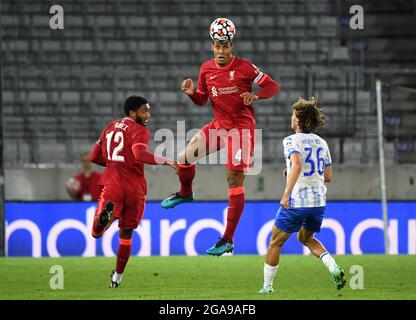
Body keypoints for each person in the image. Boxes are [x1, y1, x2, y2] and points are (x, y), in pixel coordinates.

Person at [160, 17, 281, 256]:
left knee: (233, 180)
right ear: (212, 45)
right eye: (217, 45)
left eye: (225, 46)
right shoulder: (207, 68)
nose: (221, 50)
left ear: (231, 46)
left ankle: (227, 239)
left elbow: (273, 86)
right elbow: (203, 99)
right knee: (183, 158)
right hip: (219, 126)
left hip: (241, 130)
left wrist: (256, 96)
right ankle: (186, 194)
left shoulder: (245, 67)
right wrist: (192, 93)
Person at [258, 97, 346, 293]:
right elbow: (328, 176)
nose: (291, 118)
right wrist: (292, 171)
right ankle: (333, 266)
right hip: (318, 203)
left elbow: (297, 164)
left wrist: (286, 194)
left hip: (297, 201)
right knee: (306, 238)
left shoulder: (291, 140)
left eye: (293, 115)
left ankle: (267, 287)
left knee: (275, 242)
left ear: (297, 119)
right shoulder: (322, 143)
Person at [90, 95, 178, 288]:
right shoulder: (139, 130)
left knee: (96, 234)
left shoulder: (110, 127)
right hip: (135, 189)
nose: (148, 115)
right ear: (132, 112)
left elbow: (94, 156)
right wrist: (166, 160)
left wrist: (115, 162)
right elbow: (139, 154)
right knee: (126, 233)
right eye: (144, 111)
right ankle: (117, 277)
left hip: (113, 184)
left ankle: (102, 222)